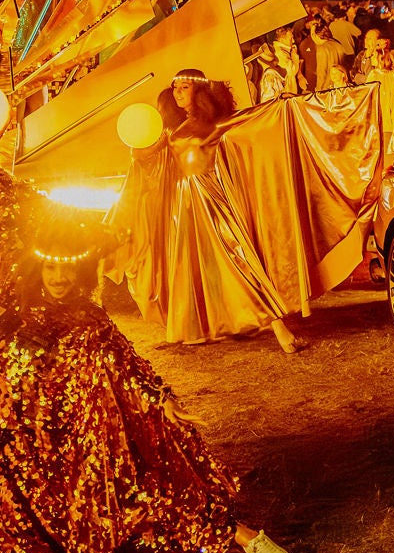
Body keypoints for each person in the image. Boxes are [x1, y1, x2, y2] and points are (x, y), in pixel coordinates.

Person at [0, 169, 295, 553]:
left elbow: (123, 360)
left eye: (67, 269)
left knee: (149, 488)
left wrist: (160, 397)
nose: (59, 279)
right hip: (31, 451)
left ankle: (244, 537)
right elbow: (2, 223)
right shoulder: (11, 310)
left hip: (88, 440)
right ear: (36, 269)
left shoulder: (88, 317)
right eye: (50, 269)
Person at [110, 70, 301, 353]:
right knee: (194, 267)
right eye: (174, 87)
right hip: (182, 203)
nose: (177, 92)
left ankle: (279, 327)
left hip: (209, 198)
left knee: (237, 258)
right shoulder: (172, 128)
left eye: (184, 87)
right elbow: (145, 156)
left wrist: (281, 104)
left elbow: (252, 121)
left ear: (199, 92)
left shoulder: (214, 123)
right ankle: (204, 325)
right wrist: (134, 141)